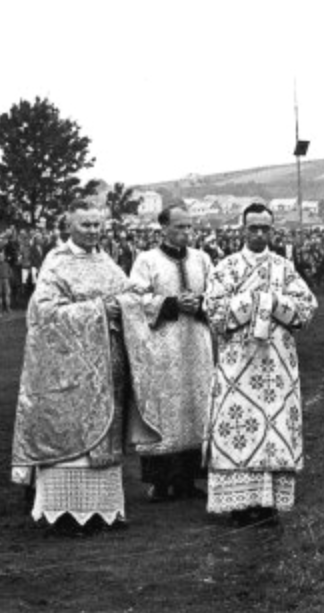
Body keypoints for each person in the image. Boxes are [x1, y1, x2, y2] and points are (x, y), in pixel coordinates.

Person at [9, 201, 158, 533]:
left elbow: (126, 295)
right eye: (86, 225)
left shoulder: (106, 262)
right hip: (71, 369)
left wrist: (136, 299)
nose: (93, 230)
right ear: (69, 226)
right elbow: (43, 314)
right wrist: (99, 310)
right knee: (72, 440)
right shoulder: (57, 263)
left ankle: (103, 510)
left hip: (108, 366)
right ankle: (64, 513)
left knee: (105, 439)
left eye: (97, 225)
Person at [203, 204, 317, 526]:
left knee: (274, 428)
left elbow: (307, 309)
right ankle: (240, 504)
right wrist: (252, 300)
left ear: (273, 230)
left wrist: (274, 302)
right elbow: (214, 315)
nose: (258, 234)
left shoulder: (285, 267)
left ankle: (268, 504)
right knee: (240, 428)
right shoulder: (224, 268)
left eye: (265, 228)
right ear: (242, 229)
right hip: (238, 367)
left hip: (276, 366)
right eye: (253, 228)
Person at [128, 205, 214, 502]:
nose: (186, 233)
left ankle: (189, 479)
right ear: (163, 228)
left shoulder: (202, 259)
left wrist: (201, 303)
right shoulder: (146, 260)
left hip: (197, 345)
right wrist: (171, 304)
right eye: (179, 227)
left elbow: (219, 295)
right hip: (163, 346)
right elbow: (135, 299)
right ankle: (160, 482)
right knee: (165, 409)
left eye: (189, 227)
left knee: (197, 406)